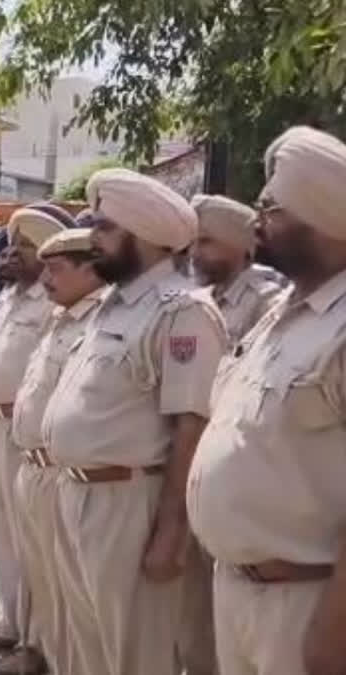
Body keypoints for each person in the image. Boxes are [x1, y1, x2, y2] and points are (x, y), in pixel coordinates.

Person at [42, 168, 226, 675]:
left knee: (134, 656)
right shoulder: (110, 306)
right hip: (75, 494)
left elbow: (192, 427)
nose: (93, 240)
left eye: (103, 228)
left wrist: (170, 533)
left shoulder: (181, 312)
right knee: (87, 652)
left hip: (128, 505)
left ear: (142, 235)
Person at [188, 126, 346, 675]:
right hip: (237, 591)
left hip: (307, 604)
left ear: (323, 215)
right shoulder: (280, 314)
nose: (257, 223)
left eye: (273, 208)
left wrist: (335, 628)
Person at [3, 227, 105, 675]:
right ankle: (35, 652)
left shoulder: (98, 321)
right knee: (40, 579)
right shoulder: (61, 317)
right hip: (31, 465)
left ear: (91, 269)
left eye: (56, 268)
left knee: (69, 594)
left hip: (63, 474)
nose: (46, 278)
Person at [0, 204, 64, 651]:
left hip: (24, 435)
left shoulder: (55, 305)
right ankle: (9, 622)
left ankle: (35, 641)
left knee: (30, 540)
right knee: (0, 531)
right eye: (13, 243)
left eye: (26, 246)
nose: (12, 253)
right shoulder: (7, 297)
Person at [190, 194, 285, 344]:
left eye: (204, 241)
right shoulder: (201, 299)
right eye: (192, 242)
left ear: (237, 243)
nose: (194, 252)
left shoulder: (265, 302)